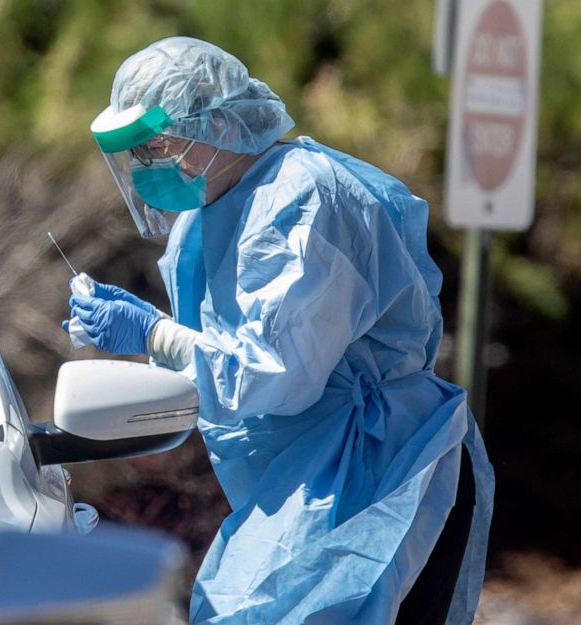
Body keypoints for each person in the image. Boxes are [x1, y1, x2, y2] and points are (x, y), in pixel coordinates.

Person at [67, 37, 494, 625]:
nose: (147, 167)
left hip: (385, 468)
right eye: (134, 154)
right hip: (311, 478)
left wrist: (153, 336)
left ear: (214, 123)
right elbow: (226, 361)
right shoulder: (208, 215)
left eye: (156, 145)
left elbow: (274, 374)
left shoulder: (300, 200)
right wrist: (153, 334)